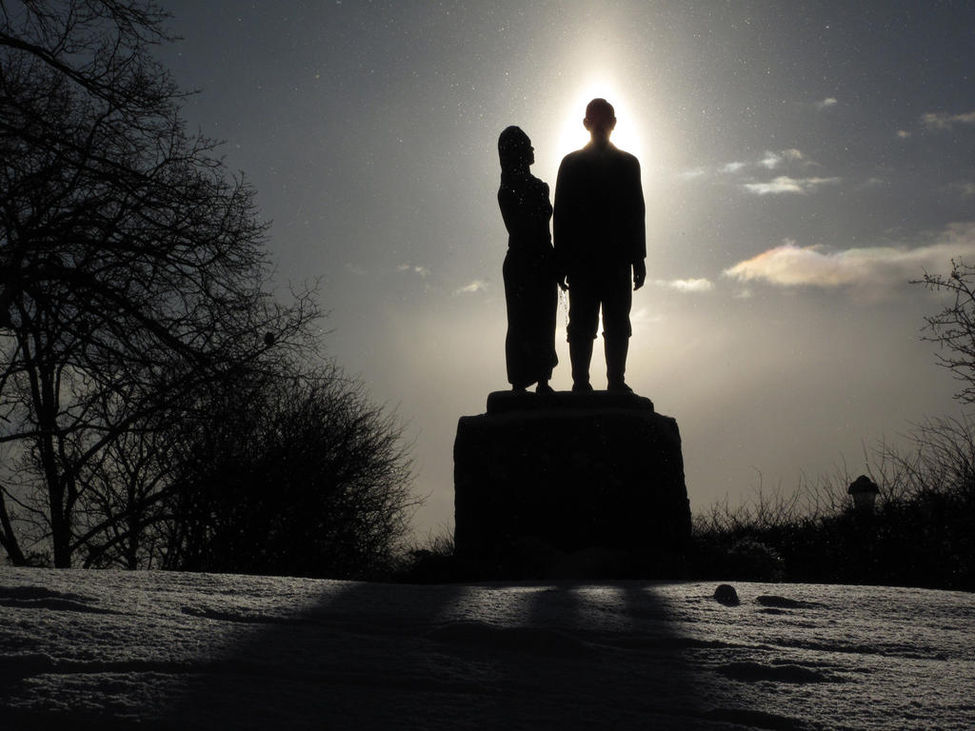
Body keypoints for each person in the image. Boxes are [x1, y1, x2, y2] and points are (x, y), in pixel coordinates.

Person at [553, 98, 646, 393]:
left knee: (618, 322)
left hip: (617, 258)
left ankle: (616, 380)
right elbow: (561, 214)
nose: (601, 125)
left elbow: (636, 212)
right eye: (595, 119)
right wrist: (561, 259)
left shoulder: (629, 164)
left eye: (606, 119)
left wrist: (638, 257)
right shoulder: (570, 164)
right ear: (585, 123)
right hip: (582, 260)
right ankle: (580, 382)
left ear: (614, 123)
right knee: (581, 322)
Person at [497, 126, 559, 393]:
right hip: (523, 261)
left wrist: (554, 261)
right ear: (517, 152)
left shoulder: (540, 187)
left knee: (545, 321)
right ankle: (519, 381)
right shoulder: (508, 189)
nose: (533, 149)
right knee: (521, 322)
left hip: (543, 259)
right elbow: (521, 228)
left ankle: (543, 378)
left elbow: (546, 229)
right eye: (527, 145)